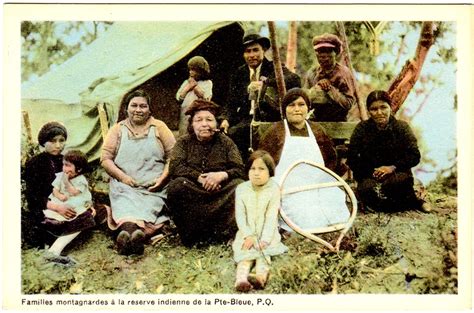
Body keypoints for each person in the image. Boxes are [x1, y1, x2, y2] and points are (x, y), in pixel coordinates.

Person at [259, 88, 349, 233]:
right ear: (285, 109)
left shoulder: (317, 130)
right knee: (302, 214)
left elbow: (330, 160)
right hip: (286, 188)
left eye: (301, 105)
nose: (297, 109)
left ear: (308, 108)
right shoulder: (275, 131)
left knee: (334, 202)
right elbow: (262, 164)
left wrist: (326, 181)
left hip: (316, 185)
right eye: (291, 105)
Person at [101, 89, 176, 255]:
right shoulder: (117, 129)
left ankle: (130, 238)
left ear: (149, 109)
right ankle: (132, 238)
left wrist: (162, 179)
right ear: (126, 109)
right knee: (126, 208)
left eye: (143, 106)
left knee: (148, 209)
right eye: (133, 105)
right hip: (125, 185)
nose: (138, 110)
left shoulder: (160, 127)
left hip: (153, 186)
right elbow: (105, 159)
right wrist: (123, 177)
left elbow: (173, 157)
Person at [167, 99, 245, 247]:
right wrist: (199, 178)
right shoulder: (184, 142)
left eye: (209, 120)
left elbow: (239, 168)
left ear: (216, 124)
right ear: (192, 124)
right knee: (177, 186)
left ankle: (224, 234)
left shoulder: (226, 142)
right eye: (199, 120)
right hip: (194, 189)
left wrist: (221, 176)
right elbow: (176, 167)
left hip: (220, 191)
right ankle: (193, 236)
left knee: (239, 186)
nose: (204, 124)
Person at [347, 90, 432, 212]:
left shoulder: (402, 127)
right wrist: (373, 172)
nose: (379, 113)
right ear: (368, 111)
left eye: (383, 107)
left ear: (390, 107)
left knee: (395, 185)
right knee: (367, 189)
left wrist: (392, 168)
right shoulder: (362, 129)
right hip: (370, 175)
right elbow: (352, 157)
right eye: (374, 109)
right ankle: (405, 203)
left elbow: (414, 155)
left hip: (397, 173)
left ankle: (415, 201)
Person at [220, 33, 301, 161]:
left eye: (255, 50)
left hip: (269, 117)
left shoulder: (273, 67)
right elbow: (231, 102)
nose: (252, 55)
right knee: (232, 134)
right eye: (248, 51)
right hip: (246, 119)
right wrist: (226, 119)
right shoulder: (239, 73)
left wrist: (265, 83)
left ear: (263, 50)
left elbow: (295, 80)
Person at [23, 122, 96, 266]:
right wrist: (57, 207)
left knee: (97, 211)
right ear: (44, 142)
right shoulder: (34, 163)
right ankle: (54, 251)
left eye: (61, 141)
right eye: (53, 141)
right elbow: (33, 196)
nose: (58, 145)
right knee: (85, 217)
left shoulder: (67, 160)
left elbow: (78, 185)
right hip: (46, 207)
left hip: (68, 201)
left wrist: (87, 203)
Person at [232, 150, 288, 292]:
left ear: (270, 172)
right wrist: (248, 235)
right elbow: (240, 216)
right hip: (247, 234)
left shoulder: (273, 189)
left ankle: (260, 277)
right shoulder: (241, 189)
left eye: (261, 169)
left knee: (264, 255)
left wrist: (265, 239)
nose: (256, 173)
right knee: (245, 256)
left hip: (267, 234)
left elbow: (271, 216)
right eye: (253, 169)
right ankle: (241, 280)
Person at [304, 33, 357, 122]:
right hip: (317, 119)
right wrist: (315, 90)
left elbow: (349, 104)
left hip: (338, 121)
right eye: (320, 51)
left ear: (335, 53)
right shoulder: (312, 73)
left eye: (328, 51)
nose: (324, 56)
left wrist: (329, 89)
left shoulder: (343, 73)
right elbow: (304, 100)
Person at [45, 150, 92, 223]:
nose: (64, 168)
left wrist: (66, 182)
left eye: (67, 165)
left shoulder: (81, 180)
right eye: (63, 165)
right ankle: (53, 218)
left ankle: (63, 220)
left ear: (79, 169)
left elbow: (74, 193)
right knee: (54, 203)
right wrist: (58, 195)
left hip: (76, 198)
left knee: (72, 206)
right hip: (63, 198)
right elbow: (55, 189)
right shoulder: (61, 175)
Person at [176, 56, 213, 136]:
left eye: (193, 70)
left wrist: (195, 86)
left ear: (201, 71)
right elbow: (179, 97)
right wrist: (188, 87)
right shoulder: (186, 82)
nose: (190, 72)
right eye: (190, 70)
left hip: (197, 113)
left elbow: (206, 98)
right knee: (184, 133)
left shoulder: (207, 83)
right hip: (185, 113)